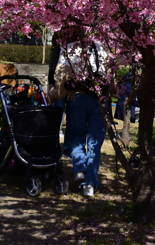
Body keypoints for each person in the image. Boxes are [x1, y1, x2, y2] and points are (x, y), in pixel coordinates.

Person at [48, 26, 107, 197]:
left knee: (75, 136)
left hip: (78, 98)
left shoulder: (69, 48)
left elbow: (61, 78)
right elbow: (110, 76)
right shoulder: (100, 46)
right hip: (99, 100)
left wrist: (54, 93)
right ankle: (90, 184)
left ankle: (80, 169)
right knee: (95, 142)